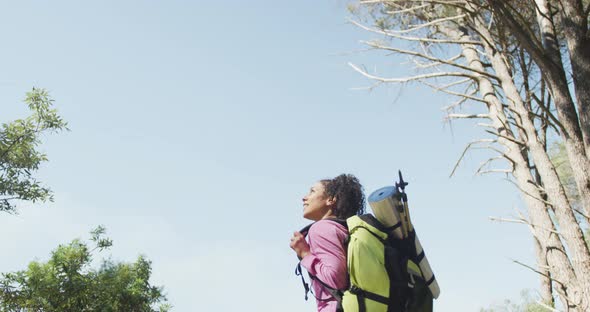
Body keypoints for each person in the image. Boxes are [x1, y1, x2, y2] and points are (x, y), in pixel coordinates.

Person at [290, 174, 365, 312]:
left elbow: (336, 279)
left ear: (331, 200)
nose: (304, 198)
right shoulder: (345, 229)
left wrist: (305, 253)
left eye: (312, 191)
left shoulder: (321, 228)